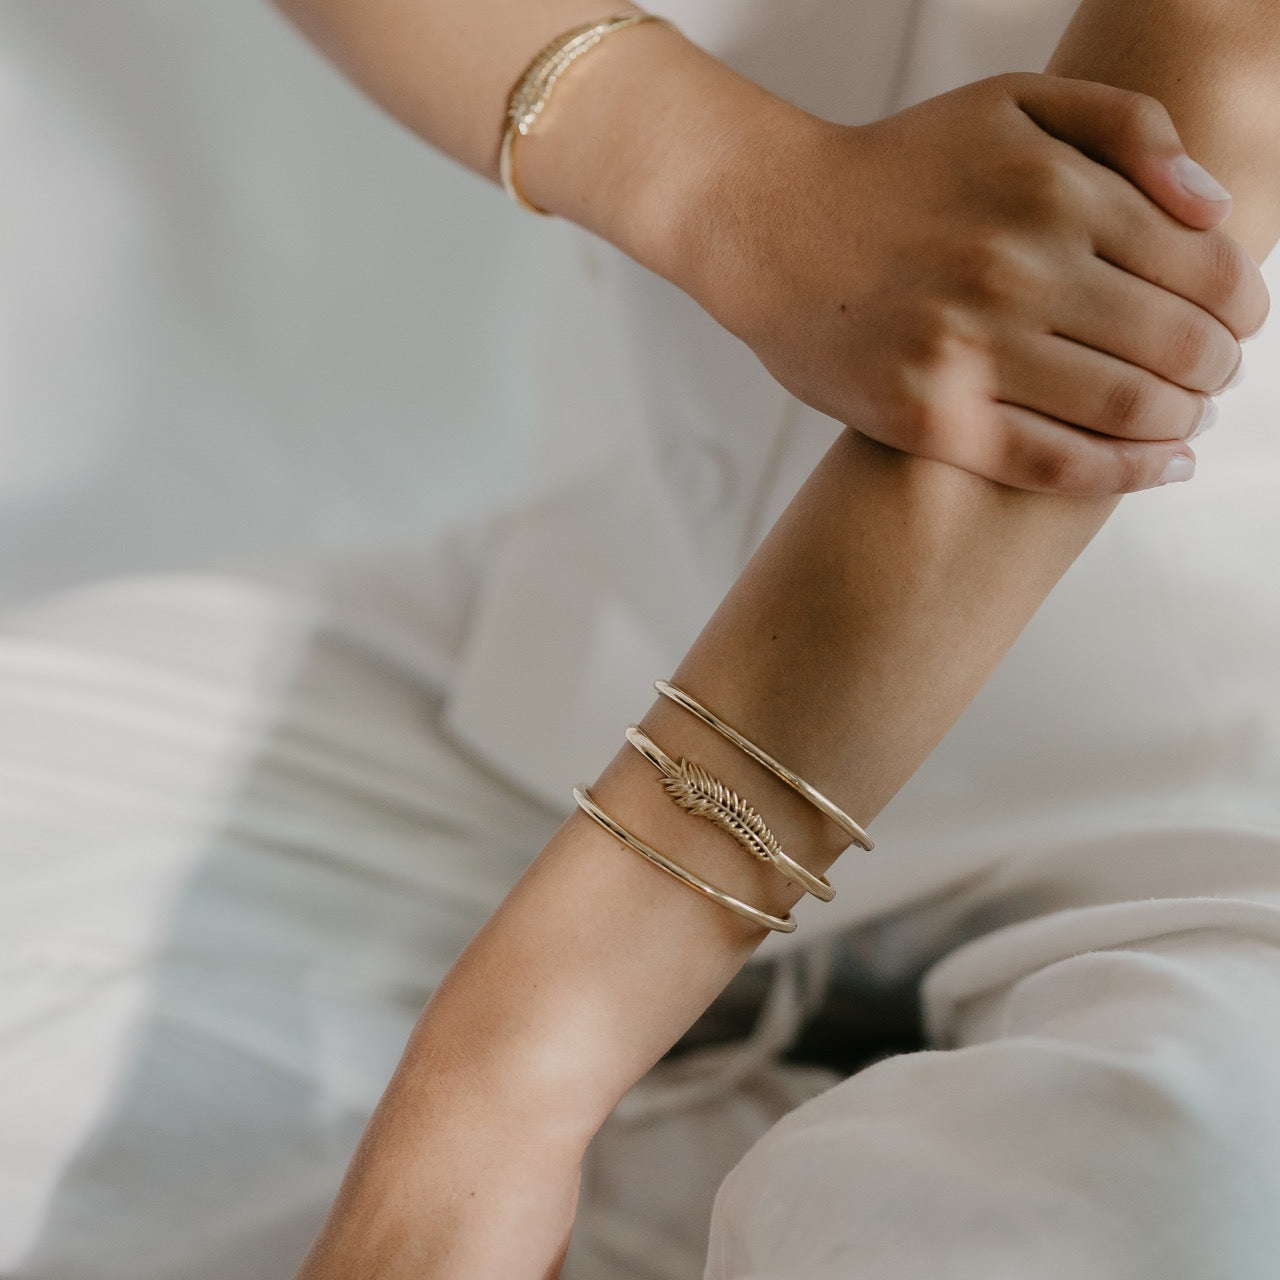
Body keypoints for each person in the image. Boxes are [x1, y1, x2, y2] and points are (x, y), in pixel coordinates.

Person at [0, 1, 1275, 1278]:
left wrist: (494, 1092)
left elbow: (1095, 285)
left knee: (1176, 1200)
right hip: (585, 640)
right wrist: (732, 187)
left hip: (1201, 818)